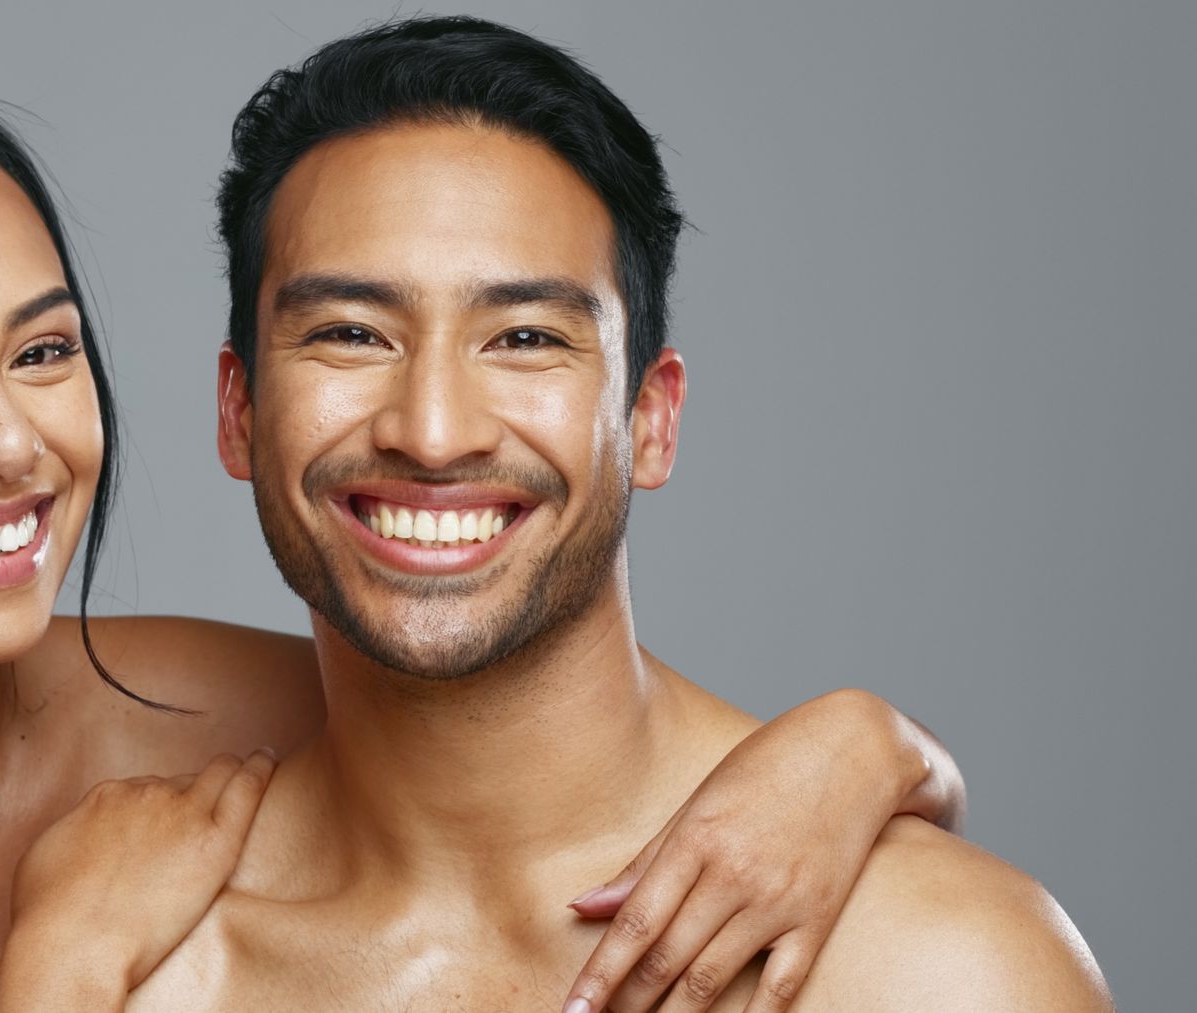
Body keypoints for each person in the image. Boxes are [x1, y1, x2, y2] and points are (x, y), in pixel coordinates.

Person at [0, 11, 969, 1011]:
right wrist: (51, 973)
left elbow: (499, 695)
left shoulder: (203, 707)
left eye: (45, 350)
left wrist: (865, 750)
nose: (6, 442)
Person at [114, 16, 1111, 1012]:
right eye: (351, 333)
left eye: (523, 337)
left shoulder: (935, 966)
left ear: (650, 418)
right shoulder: (137, 955)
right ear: (238, 412)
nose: (431, 431)